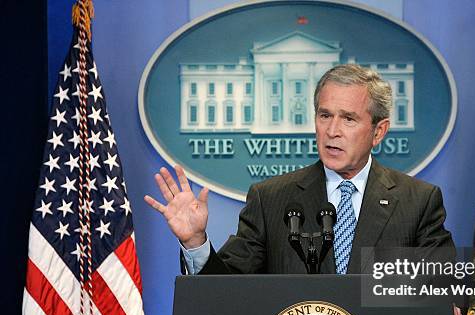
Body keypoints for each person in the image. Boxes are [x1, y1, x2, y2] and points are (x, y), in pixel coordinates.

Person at [144, 64, 454, 276]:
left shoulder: (418, 201)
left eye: (348, 119)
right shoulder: (272, 200)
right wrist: (196, 241)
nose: (332, 130)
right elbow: (225, 290)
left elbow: (443, 290)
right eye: (324, 115)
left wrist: (449, 306)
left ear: (379, 131)